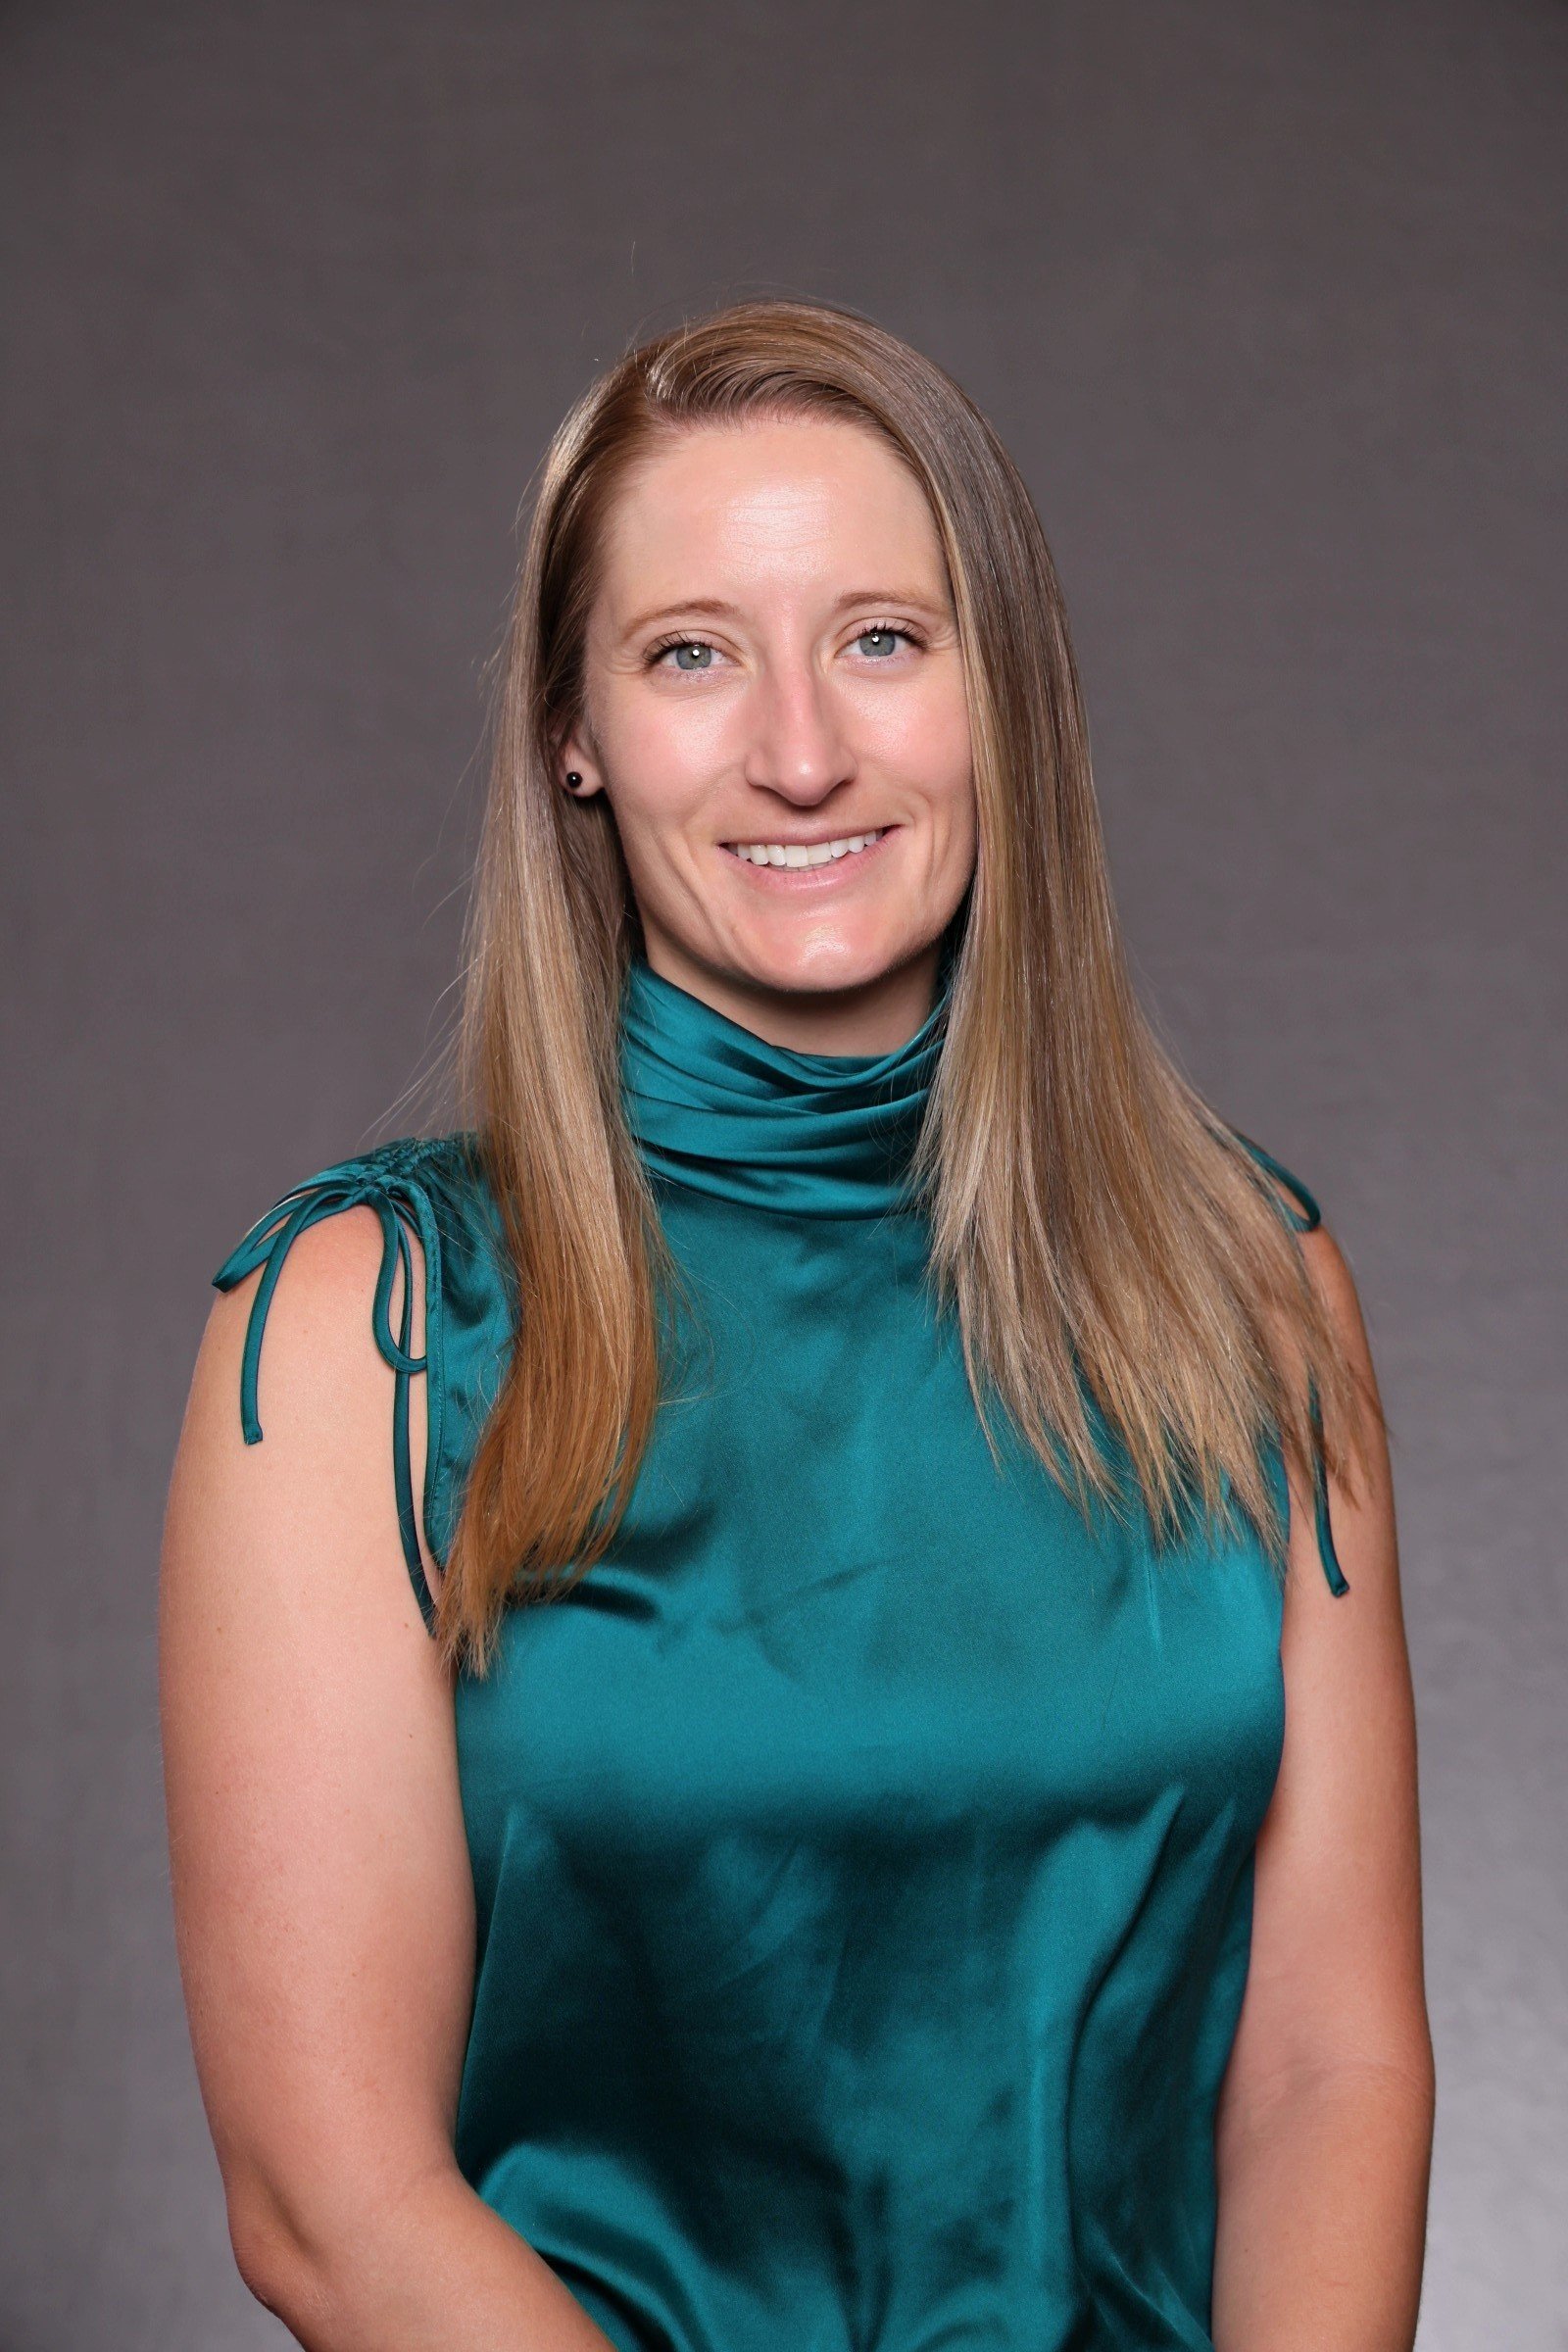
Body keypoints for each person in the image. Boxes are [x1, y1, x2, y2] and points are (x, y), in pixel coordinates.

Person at [159, 297, 1435, 2352]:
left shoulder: (1248, 1293)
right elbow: (330, 2201)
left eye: (880, 638)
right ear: (571, 732)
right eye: (689, 654)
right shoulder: (357, 1337)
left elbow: (1325, 2076)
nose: (799, 749)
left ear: (995, 695)